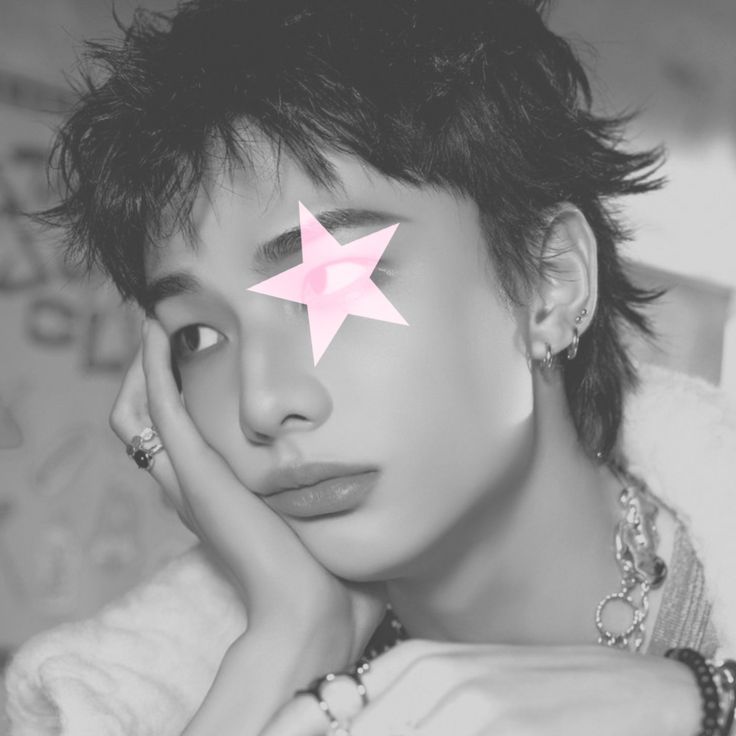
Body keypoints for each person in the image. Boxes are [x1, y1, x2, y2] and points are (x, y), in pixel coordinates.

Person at [5, 0, 736, 734]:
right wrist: (291, 640)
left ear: (550, 284)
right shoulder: (105, 699)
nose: (263, 402)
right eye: (197, 336)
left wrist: (702, 700)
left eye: (331, 282)